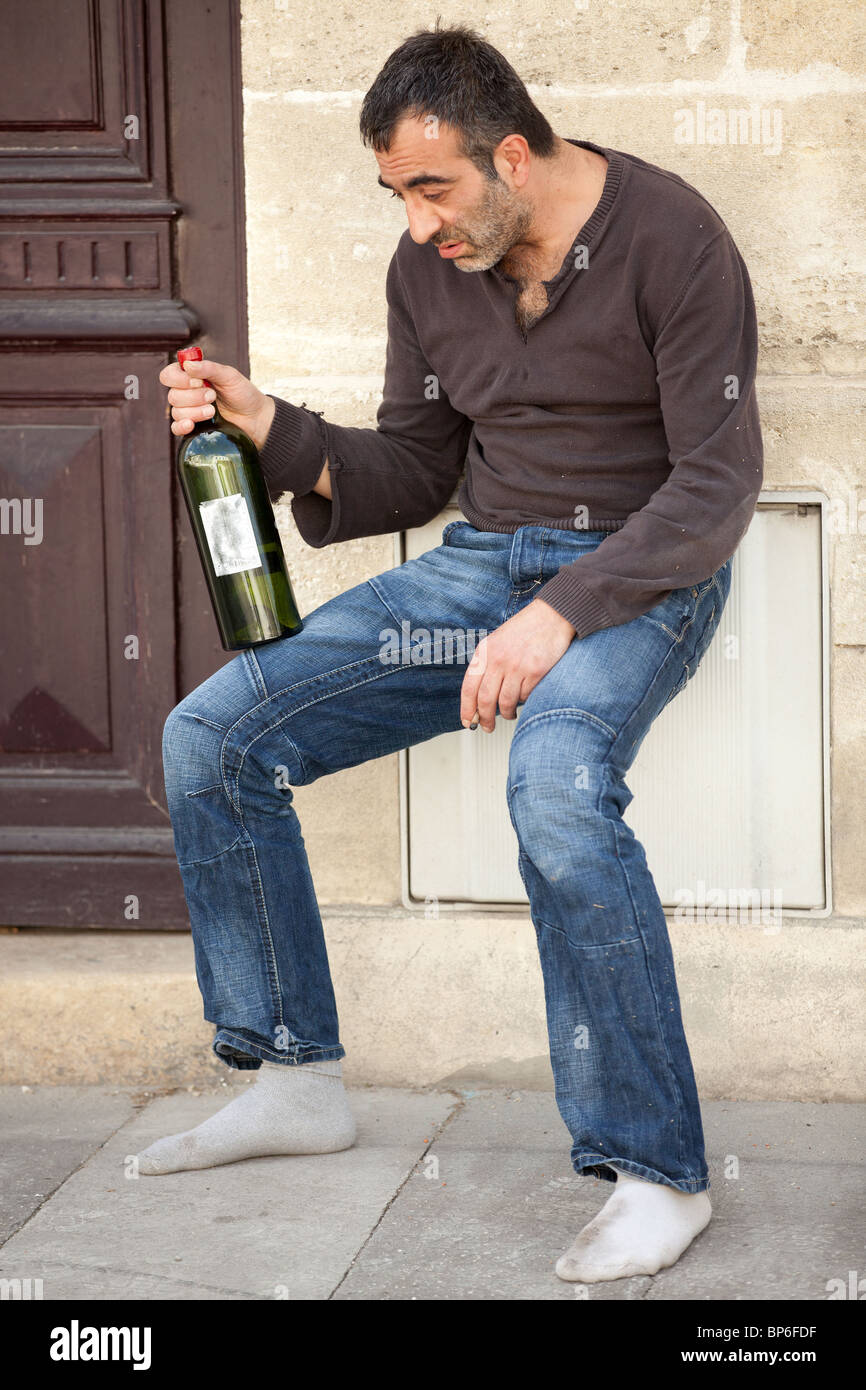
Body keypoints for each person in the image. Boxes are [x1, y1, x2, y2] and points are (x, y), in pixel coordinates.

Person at [140, 22, 763, 1286]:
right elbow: (416, 468)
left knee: (555, 783)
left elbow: (714, 483)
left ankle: (655, 1173)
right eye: (396, 192)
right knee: (212, 733)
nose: (418, 221)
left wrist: (562, 611)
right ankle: (292, 1074)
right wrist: (273, 428)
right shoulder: (425, 272)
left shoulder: (673, 237)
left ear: (514, 157)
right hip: (481, 565)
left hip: (643, 572)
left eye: (433, 188)